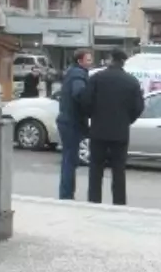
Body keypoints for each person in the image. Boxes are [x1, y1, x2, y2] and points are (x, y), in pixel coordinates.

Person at [82, 48, 143, 205]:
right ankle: (119, 203)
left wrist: (93, 116)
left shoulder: (96, 78)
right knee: (119, 170)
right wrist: (127, 120)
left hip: (98, 130)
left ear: (110, 59)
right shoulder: (132, 81)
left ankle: (94, 201)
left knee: (95, 168)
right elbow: (138, 107)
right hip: (120, 132)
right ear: (123, 62)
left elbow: (86, 102)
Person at [57, 49, 93, 201]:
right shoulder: (78, 74)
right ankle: (66, 195)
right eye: (89, 59)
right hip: (72, 122)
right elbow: (79, 93)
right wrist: (90, 106)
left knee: (69, 158)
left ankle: (66, 193)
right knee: (70, 160)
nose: (91, 62)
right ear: (80, 61)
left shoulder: (73, 72)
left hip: (67, 120)